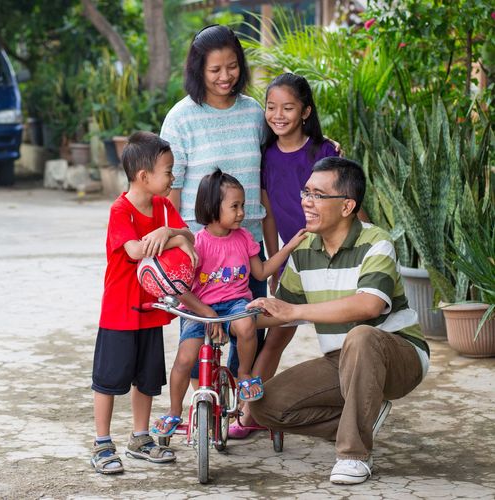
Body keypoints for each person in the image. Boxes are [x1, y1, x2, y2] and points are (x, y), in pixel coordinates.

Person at [247, 157, 430, 485]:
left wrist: (294, 312)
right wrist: (228, 318)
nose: (306, 201)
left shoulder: (376, 242)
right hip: (340, 361)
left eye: (318, 195)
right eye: (306, 192)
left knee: (361, 336)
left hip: (398, 355)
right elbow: (279, 310)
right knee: (264, 406)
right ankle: (362, 416)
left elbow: (369, 305)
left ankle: (353, 453)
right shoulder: (303, 250)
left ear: (347, 206)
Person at [151, 169, 306, 436]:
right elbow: (180, 289)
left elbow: (260, 273)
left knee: (246, 326)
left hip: (236, 303)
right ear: (212, 206)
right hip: (200, 308)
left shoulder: (245, 238)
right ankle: (174, 412)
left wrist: (289, 246)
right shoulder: (196, 243)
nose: (242, 212)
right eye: (234, 206)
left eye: (243, 205)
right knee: (184, 359)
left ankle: (245, 374)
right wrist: (207, 313)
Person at [230, 72, 341, 438]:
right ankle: (249, 412)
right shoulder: (265, 156)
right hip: (294, 259)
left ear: (306, 111)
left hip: (333, 256)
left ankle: (355, 402)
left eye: (288, 107)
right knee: (277, 336)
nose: (278, 115)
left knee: (345, 334)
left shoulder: (324, 152)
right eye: (271, 107)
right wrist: (274, 263)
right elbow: (269, 215)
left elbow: (347, 207)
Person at [160, 24, 267, 383]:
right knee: (197, 339)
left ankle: (240, 406)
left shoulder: (254, 112)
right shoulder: (181, 118)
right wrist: (177, 241)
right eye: (215, 70)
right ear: (197, 70)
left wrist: (321, 143)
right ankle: (203, 409)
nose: (226, 76)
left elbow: (275, 162)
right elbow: (170, 191)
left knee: (249, 329)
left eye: (232, 66)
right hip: (199, 250)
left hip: (247, 246)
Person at [90, 131, 197, 475]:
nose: (173, 177)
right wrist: (173, 241)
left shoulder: (165, 207)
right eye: (168, 171)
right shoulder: (120, 209)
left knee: (148, 379)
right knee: (109, 379)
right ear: (143, 176)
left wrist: (169, 233)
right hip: (119, 312)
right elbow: (136, 251)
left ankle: (140, 438)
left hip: (153, 309)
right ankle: (102, 443)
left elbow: (189, 237)